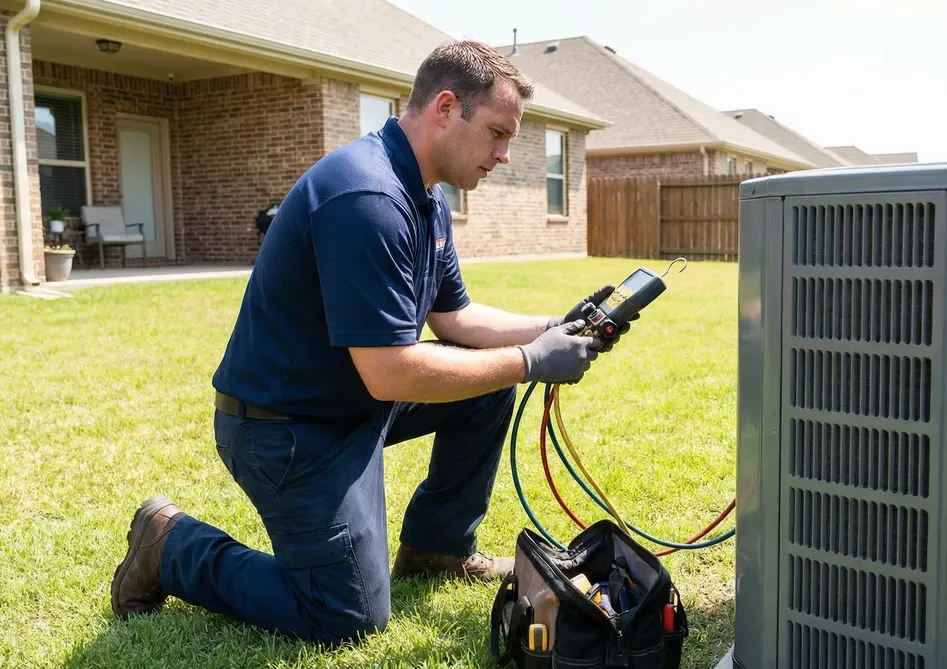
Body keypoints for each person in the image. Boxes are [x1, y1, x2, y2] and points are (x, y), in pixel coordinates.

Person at [108, 40, 634, 646]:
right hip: (287, 431)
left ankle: (437, 548)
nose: (504, 154)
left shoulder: (425, 197)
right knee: (346, 616)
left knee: (485, 386)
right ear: (444, 108)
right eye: (496, 133)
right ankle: (172, 545)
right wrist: (527, 363)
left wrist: (554, 328)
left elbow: (456, 320)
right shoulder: (368, 197)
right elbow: (389, 371)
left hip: (348, 406)